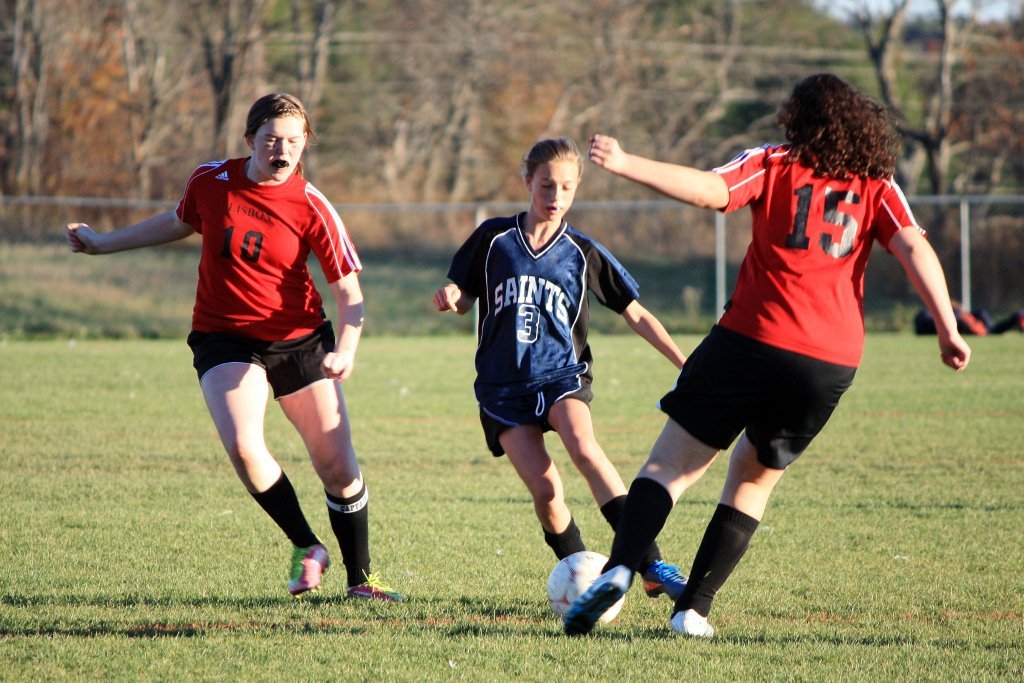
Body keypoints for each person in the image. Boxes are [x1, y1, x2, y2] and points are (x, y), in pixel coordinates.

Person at [563, 73, 971, 638]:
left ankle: (620, 569)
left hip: (751, 338)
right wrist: (949, 327)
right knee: (752, 482)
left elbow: (713, 191)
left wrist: (629, 162)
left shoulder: (776, 162)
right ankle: (693, 611)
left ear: (797, 118)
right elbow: (913, 247)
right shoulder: (876, 182)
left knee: (668, 468)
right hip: (827, 361)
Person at [66, 93, 403, 601]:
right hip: (224, 335)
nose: (282, 151)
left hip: (299, 340)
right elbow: (179, 221)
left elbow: (350, 296)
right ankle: (307, 546)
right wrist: (102, 242)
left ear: (305, 143)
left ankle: (362, 581)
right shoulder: (210, 180)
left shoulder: (312, 204)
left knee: (337, 466)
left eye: (293, 141)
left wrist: (348, 349)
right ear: (250, 141)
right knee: (245, 446)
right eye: (271, 140)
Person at [433, 136, 690, 601]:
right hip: (502, 389)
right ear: (527, 180)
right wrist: (453, 298)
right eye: (546, 185)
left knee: (584, 448)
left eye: (566, 188)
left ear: (576, 190)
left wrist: (685, 363)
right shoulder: (493, 239)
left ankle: (651, 565)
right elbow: (464, 291)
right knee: (548, 492)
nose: (555, 197)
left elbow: (635, 313)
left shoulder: (581, 251)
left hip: (560, 376)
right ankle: (579, 576)